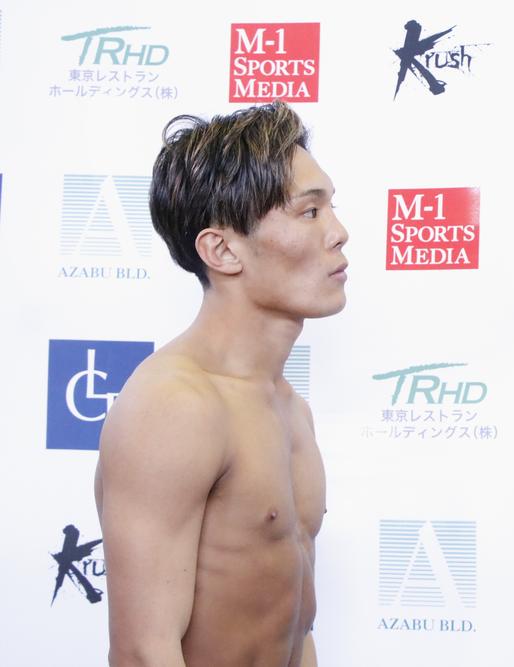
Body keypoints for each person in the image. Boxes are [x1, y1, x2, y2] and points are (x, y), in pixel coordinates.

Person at [94, 101, 348, 666]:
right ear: (223, 250)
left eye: (332, 208)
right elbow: (142, 650)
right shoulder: (175, 405)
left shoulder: (290, 408)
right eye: (309, 212)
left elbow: (294, 627)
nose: (339, 233)